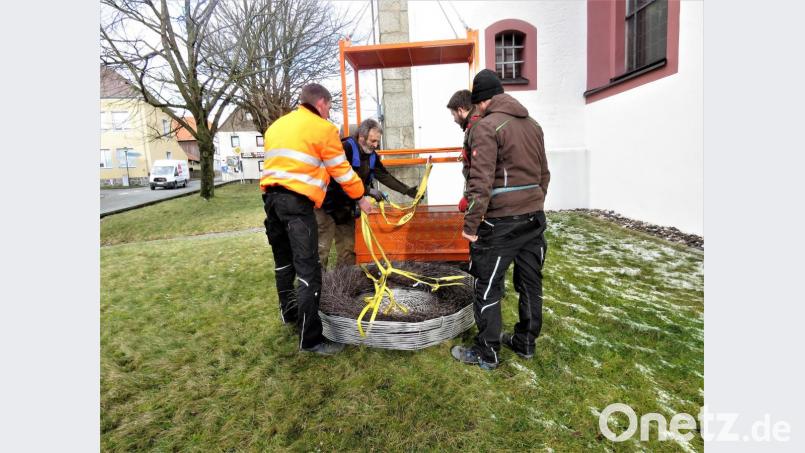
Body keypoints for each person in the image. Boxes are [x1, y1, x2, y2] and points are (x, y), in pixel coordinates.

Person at [260, 83, 372, 356]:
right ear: (321, 103)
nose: (329, 112)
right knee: (309, 271)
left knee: (283, 265)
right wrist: (361, 197)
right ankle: (310, 339)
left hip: (270, 202)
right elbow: (342, 171)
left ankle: (289, 315)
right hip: (297, 205)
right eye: (330, 107)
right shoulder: (323, 129)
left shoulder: (276, 127)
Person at [450, 69, 551, 370]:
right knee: (530, 284)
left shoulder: (487, 127)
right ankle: (525, 342)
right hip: (534, 220)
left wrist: (470, 228)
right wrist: (534, 201)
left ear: (481, 101)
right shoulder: (534, 125)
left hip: (501, 224)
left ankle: (487, 352)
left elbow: (480, 184)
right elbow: (544, 174)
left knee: (488, 285)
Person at [316, 118, 419, 269]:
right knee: (321, 250)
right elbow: (338, 179)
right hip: (326, 205)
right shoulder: (345, 149)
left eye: (378, 141)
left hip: (346, 208)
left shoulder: (371, 155)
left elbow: (384, 176)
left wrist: (408, 191)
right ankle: (314, 290)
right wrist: (368, 191)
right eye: (373, 141)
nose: (376, 145)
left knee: (348, 251)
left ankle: (342, 285)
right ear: (361, 137)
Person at [446, 89, 482, 212]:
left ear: (460, 111)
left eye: (453, 114)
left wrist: (468, 198)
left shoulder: (477, 128)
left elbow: (480, 170)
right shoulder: (474, 125)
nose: (454, 119)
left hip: (479, 199)